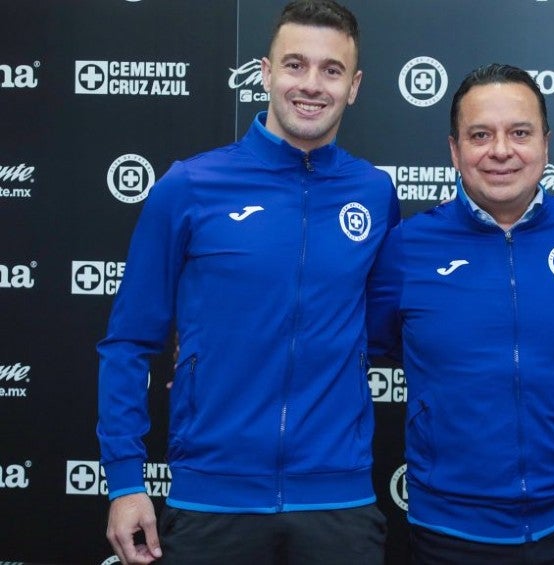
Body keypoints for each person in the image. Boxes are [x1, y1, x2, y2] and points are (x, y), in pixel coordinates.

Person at [96, 1, 399, 563]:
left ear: (353, 86)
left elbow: (377, 329)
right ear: (265, 72)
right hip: (212, 496)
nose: (312, 84)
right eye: (295, 65)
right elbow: (129, 342)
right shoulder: (190, 185)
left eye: (331, 70)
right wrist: (123, 480)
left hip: (339, 500)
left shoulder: (374, 192)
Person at [367, 63, 554, 564]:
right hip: (449, 533)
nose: (501, 151)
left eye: (520, 132)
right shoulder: (406, 249)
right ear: (454, 150)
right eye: (480, 135)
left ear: (546, 143)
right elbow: (363, 348)